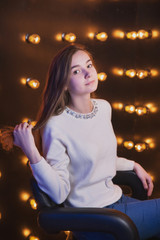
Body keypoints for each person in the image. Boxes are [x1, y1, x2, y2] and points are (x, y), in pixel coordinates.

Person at [8, 44, 160, 239]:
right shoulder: (56, 125)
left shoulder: (104, 108)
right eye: (77, 71)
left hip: (117, 201)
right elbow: (59, 193)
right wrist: (32, 153)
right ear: (63, 83)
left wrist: (134, 165)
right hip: (96, 218)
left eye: (89, 65)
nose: (88, 74)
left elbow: (99, 158)